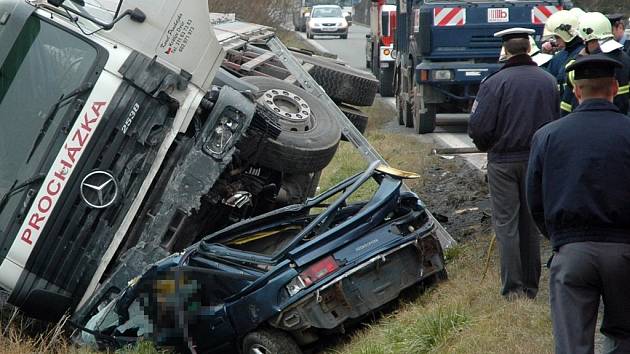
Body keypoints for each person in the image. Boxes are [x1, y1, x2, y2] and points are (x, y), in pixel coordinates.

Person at [526, 53, 630, 354]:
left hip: (572, 252)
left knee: (572, 343)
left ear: (576, 91)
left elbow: (535, 201)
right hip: (625, 251)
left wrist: (561, 238)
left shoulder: (547, 135)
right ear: (614, 88)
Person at [468, 28, 559, 300]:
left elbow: (479, 127)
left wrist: (486, 147)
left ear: (505, 51)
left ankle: (513, 289)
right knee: (530, 223)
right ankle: (531, 286)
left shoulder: (494, 83)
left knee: (506, 224)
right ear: (529, 48)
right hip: (536, 160)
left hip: (503, 162)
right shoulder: (547, 80)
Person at [561, 12, 630, 115]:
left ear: (590, 39)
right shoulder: (625, 57)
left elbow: (570, 75)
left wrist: (579, 58)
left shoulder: (593, 61)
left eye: (585, 41)